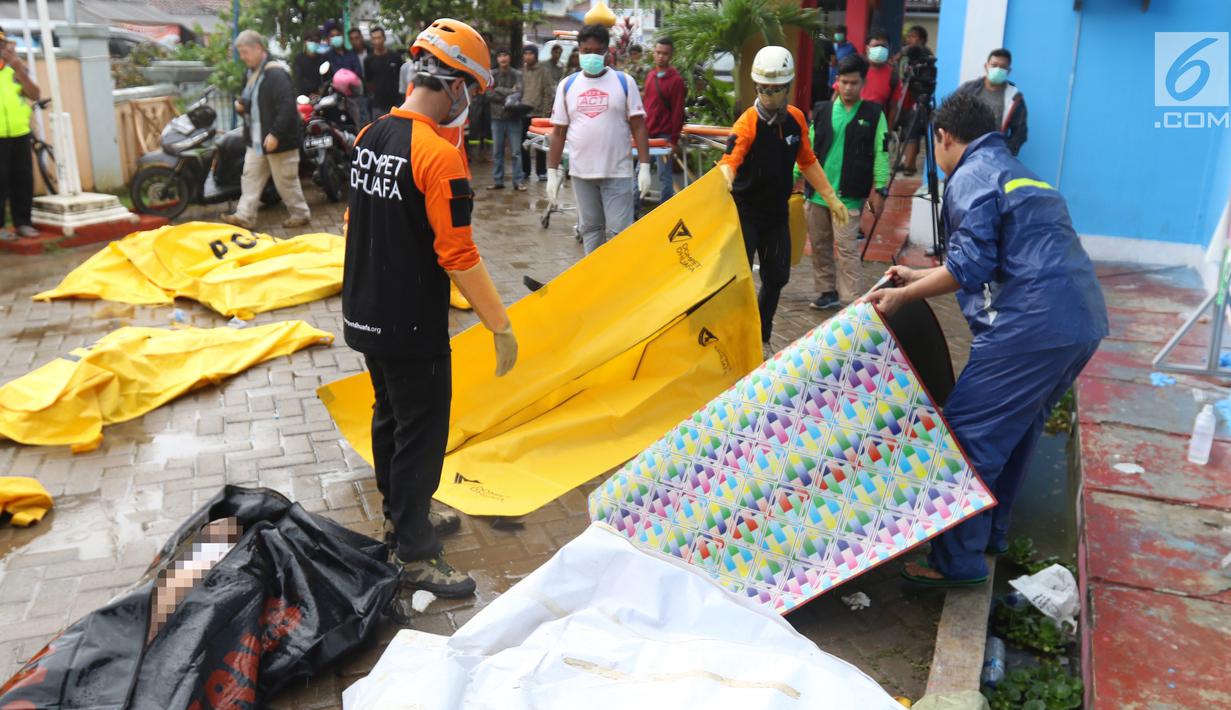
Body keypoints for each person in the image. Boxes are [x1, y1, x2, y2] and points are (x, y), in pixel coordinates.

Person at [862, 92, 1107, 587]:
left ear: (945, 138)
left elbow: (967, 266)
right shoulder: (1019, 171)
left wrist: (903, 298)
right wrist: (914, 276)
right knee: (1016, 428)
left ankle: (955, 563)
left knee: (965, 438)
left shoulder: (969, 176)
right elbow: (993, 255)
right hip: (1080, 320)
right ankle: (992, 532)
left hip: (1029, 326)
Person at [343, 18, 519, 598]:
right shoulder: (438, 156)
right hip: (412, 323)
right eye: (473, 91)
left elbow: (353, 225)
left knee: (390, 416)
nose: (470, 106)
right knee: (421, 432)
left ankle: (401, 514)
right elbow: (459, 253)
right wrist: (500, 324)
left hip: (366, 314)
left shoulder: (371, 136)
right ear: (456, 84)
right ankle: (415, 552)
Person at [717, 45, 849, 356]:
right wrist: (725, 177)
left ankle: (762, 335)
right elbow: (730, 159)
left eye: (776, 89)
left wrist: (830, 196)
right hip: (745, 212)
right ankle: (733, 338)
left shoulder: (795, 120)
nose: (770, 96)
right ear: (756, 86)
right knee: (738, 279)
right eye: (764, 89)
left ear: (787, 87)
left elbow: (807, 160)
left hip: (775, 214)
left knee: (777, 276)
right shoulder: (747, 123)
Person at [547, 23, 651, 254]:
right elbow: (559, 132)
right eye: (586, 51)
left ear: (606, 51)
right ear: (578, 51)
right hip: (582, 174)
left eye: (597, 51)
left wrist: (644, 166)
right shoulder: (568, 85)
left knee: (619, 235)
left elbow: (639, 127)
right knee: (590, 230)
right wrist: (552, 172)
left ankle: (620, 284)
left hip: (617, 172)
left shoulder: (624, 82)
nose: (591, 55)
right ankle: (595, 284)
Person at [800, 53, 888, 310]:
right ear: (836, 81)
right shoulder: (823, 110)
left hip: (849, 195)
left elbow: (882, 153)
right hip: (817, 194)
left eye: (854, 83)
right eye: (844, 82)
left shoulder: (873, 114)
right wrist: (793, 177)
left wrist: (880, 188)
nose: (848, 88)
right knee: (820, 245)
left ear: (863, 83)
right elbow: (808, 151)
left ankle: (852, 301)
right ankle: (826, 291)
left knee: (847, 249)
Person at [222, 30, 310, 230]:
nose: (243, 57)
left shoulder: (276, 73)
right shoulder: (253, 73)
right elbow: (254, 100)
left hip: (278, 140)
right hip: (256, 140)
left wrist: (276, 134)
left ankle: (301, 214)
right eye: (241, 53)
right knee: (250, 177)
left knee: (286, 182)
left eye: (245, 52)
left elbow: (287, 107)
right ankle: (245, 216)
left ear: (258, 48)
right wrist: (242, 105)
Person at [0, 27, 41, 240]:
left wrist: (20, 70)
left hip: (20, 133)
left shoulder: (14, 70)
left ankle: (23, 223)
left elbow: (35, 94)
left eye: (2, 44)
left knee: (22, 181)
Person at [957, 48, 1027, 156]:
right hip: (964, 150)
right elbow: (951, 114)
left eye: (1003, 67)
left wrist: (1006, 152)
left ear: (1008, 71)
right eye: (994, 65)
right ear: (986, 66)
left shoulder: (1015, 97)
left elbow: (1020, 132)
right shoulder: (968, 89)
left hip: (993, 155)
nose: (998, 69)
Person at [642, 36, 686, 202]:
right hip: (647, 134)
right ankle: (633, 212)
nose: (661, 56)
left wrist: (674, 140)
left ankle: (664, 210)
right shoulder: (651, 76)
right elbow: (647, 105)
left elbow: (677, 112)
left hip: (665, 136)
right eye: (658, 52)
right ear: (654, 53)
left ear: (671, 55)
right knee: (640, 172)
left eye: (665, 53)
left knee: (664, 175)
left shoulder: (676, 81)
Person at [487, 48, 526, 191]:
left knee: (516, 152)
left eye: (505, 55)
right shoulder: (491, 74)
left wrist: (499, 89)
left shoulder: (517, 74)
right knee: (497, 152)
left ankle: (518, 182)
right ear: (497, 58)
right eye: (500, 55)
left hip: (513, 116)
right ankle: (498, 181)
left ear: (510, 58)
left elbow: (519, 93)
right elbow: (488, 94)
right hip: (496, 117)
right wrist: (509, 91)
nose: (503, 58)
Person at [897, 25, 933, 175]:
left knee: (913, 132)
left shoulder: (925, 55)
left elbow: (907, 51)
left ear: (922, 39)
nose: (909, 39)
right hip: (908, 97)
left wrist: (902, 52)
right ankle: (904, 161)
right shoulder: (912, 57)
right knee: (905, 131)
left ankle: (910, 165)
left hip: (919, 99)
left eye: (913, 37)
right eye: (909, 36)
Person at [520, 44, 553, 182]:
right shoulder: (521, 72)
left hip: (539, 114)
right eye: (526, 53)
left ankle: (541, 171)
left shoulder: (543, 71)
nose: (528, 56)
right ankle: (525, 171)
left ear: (536, 55)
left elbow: (548, 93)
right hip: (523, 112)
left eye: (531, 53)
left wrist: (545, 114)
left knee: (540, 144)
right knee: (523, 143)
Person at [861, 30, 901, 128]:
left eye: (883, 46)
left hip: (877, 125)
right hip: (852, 122)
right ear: (867, 48)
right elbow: (837, 95)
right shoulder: (856, 68)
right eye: (876, 46)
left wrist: (889, 130)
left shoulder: (893, 76)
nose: (880, 49)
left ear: (889, 49)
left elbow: (893, 107)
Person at [364, 26, 404, 115]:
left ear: (384, 38)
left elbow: (402, 77)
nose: (377, 41)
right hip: (378, 105)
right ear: (371, 40)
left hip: (396, 103)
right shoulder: (368, 60)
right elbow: (368, 82)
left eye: (379, 37)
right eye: (374, 38)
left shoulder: (395, 57)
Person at [293, 29, 326, 97]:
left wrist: (320, 91)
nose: (314, 43)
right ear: (305, 42)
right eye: (311, 40)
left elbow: (326, 78)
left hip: (321, 96)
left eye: (316, 41)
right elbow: (299, 81)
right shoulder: (299, 59)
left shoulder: (323, 58)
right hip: (304, 97)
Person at [826, 24, 856, 91]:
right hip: (830, 82)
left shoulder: (851, 48)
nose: (837, 34)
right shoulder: (833, 45)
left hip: (842, 83)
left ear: (845, 33)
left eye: (840, 32)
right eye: (836, 32)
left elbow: (854, 64)